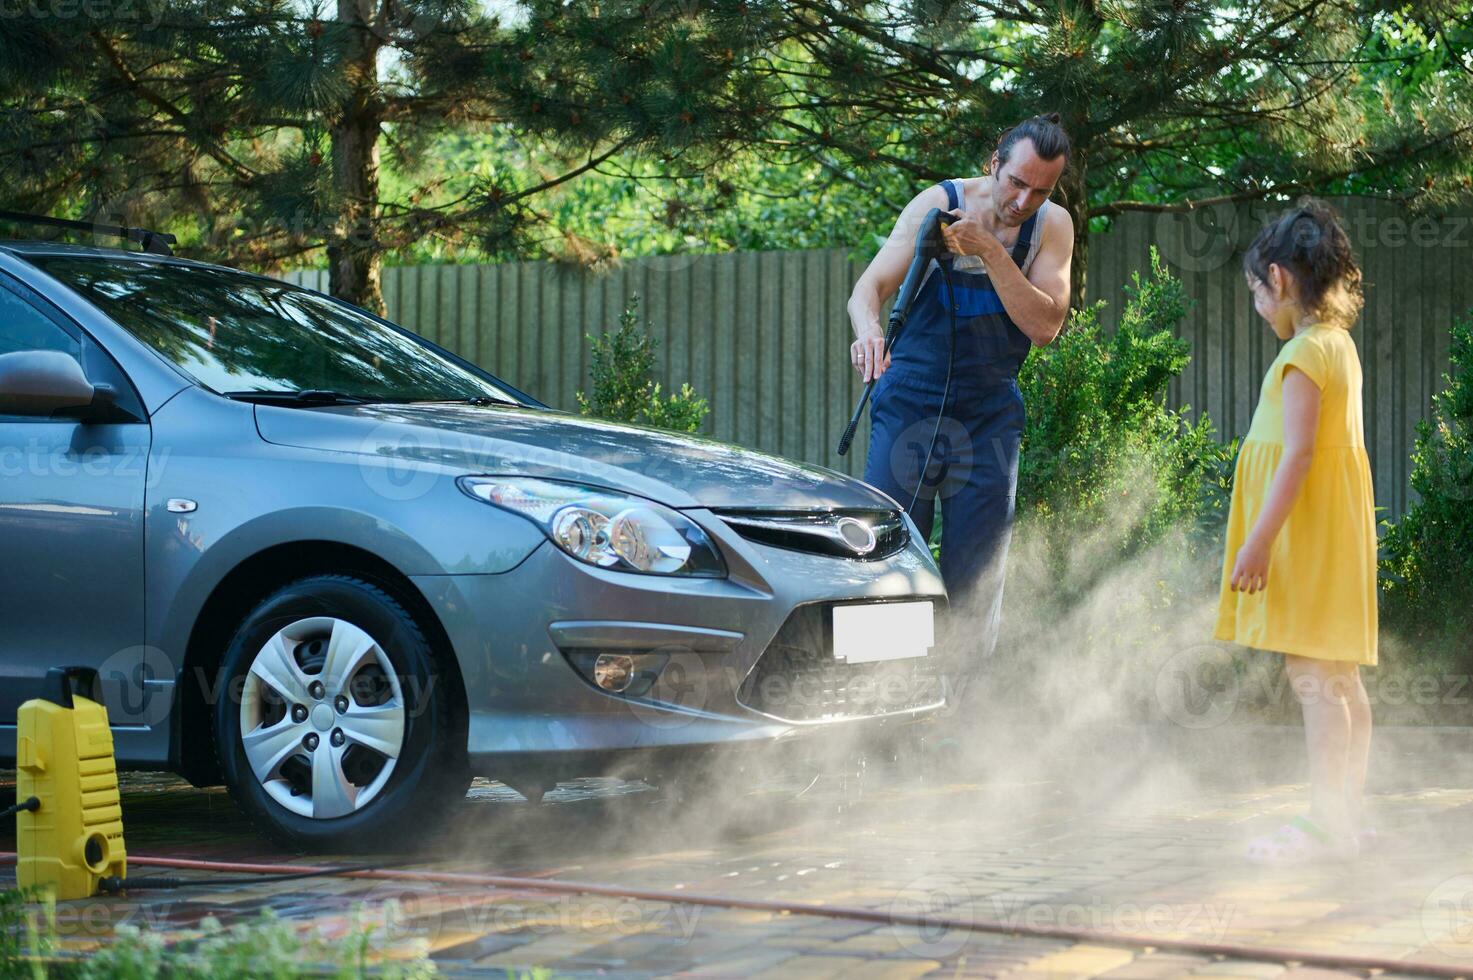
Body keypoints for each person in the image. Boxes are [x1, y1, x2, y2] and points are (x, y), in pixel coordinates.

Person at [846, 114, 1074, 698]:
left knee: (977, 573)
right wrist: (869, 332)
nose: (1024, 199)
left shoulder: (1052, 229)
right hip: (909, 406)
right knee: (888, 560)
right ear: (993, 162)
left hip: (990, 414)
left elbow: (1046, 324)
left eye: (1041, 190)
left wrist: (989, 252)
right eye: (1016, 181)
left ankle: (963, 720)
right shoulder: (937, 202)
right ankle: (880, 709)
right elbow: (867, 290)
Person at [1214, 198, 1376, 864]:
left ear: (1277, 280)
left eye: (1256, 292)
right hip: (1328, 533)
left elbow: (1299, 454)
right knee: (1337, 676)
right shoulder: (1333, 344)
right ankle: (1345, 816)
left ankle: (1323, 824)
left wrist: (1257, 539)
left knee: (1311, 674)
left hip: (1303, 539)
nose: (1257, 306)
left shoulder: (1303, 354)